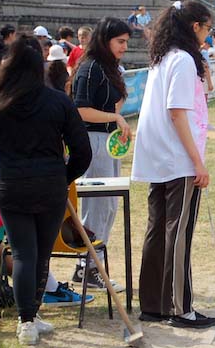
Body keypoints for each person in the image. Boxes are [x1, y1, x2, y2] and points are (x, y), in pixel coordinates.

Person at [0, 35, 92, 344]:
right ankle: (28, 317)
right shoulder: (58, 101)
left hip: (12, 186)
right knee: (39, 256)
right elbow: (83, 152)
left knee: (25, 254)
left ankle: (27, 319)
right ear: (39, 65)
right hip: (48, 187)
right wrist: (63, 176)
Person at [130, 1, 215, 329]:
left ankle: (155, 304)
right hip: (176, 159)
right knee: (178, 233)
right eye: (206, 29)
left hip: (162, 157)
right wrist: (198, 163)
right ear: (194, 27)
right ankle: (181, 308)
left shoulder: (163, 58)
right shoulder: (180, 60)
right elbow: (177, 112)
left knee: (159, 230)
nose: (208, 36)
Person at [70, 17, 131, 291]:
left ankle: (93, 265)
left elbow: (114, 106)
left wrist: (117, 123)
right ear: (106, 40)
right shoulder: (90, 67)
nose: (125, 47)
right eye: (120, 42)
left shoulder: (109, 68)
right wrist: (113, 118)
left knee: (108, 206)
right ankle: (87, 267)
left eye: (127, 42)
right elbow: (80, 110)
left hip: (108, 142)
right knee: (96, 206)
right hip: (92, 142)